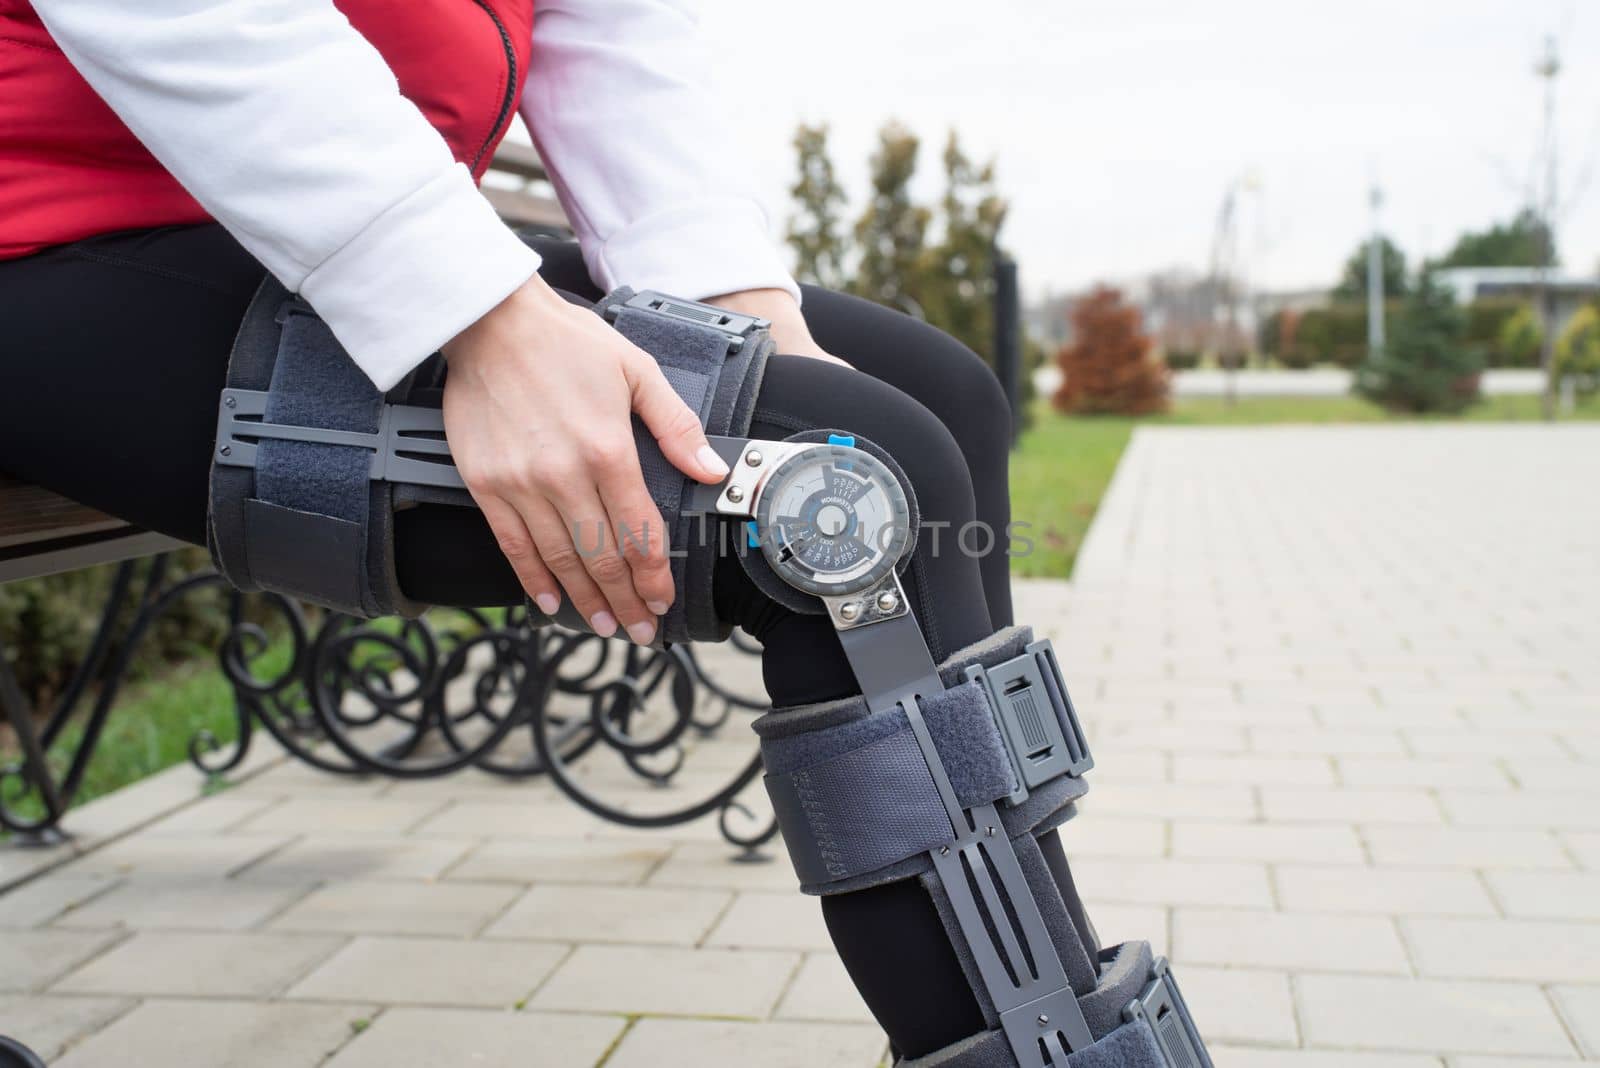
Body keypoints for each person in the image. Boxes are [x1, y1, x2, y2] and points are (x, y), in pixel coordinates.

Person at [1, 3, 1198, 1065]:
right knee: (829, 502)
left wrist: (747, 310)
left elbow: (605, 27)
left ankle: (1048, 1008)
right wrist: (480, 316)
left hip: (265, 224)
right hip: (56, 242)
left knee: (935, 405)